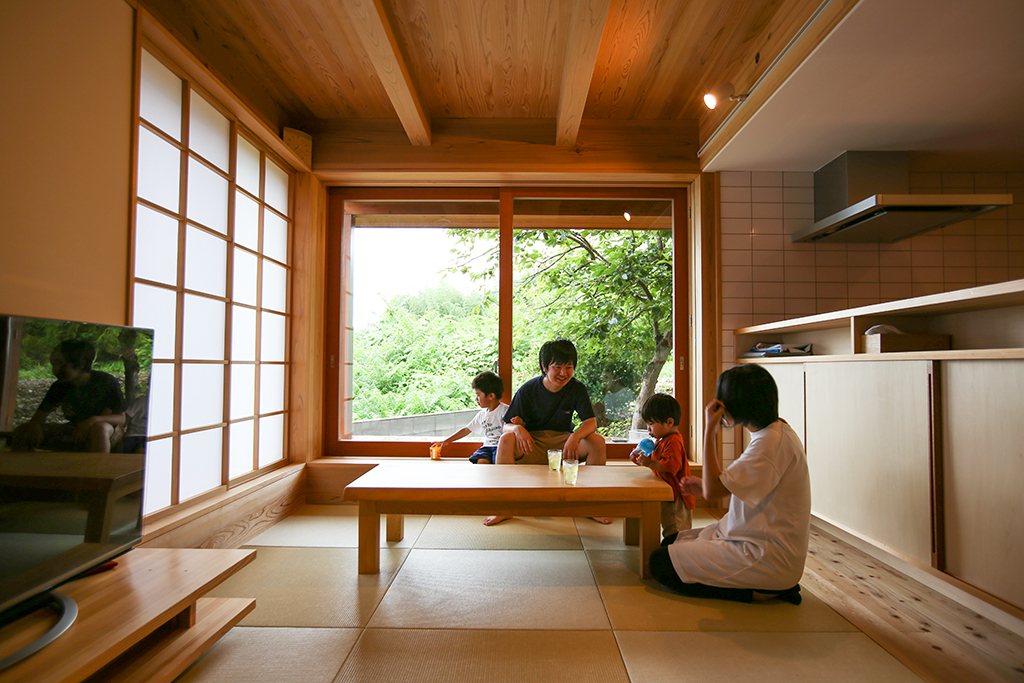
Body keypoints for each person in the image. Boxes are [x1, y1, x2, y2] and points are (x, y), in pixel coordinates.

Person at [649, 364, 810, 605]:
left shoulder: (769, 444)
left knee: (659, 564)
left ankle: (759, 591)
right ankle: (764, 585)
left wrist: (710, 429)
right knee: (670, 543)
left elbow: (715, 493)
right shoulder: (774, 432)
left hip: (766, 556)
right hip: (746, 536)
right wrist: (704, 485)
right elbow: (742, 486)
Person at [487, 338, 607, 525]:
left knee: (597, 441)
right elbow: (505, 425)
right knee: (506, 440)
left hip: (563, 445)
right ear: (544, 366)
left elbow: (591, 423)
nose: (563, 373)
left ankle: (592, 506)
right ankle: (505, 507)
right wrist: (518, 428)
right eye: (557, 367)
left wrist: (575, 436)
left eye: (568, 367)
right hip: (531, 445)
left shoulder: (576, 388)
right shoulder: (528, 389)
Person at [11, 339, 126, 453]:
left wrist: (92, 420)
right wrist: (35, 428)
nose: (55, 370)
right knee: (23, 430)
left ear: (82, 364)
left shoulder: (105, 381)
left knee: (100, 429)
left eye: (61, 364)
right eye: (54, 364)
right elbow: (39, 416)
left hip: (103, 429)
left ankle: (97, 469)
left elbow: (121, 418)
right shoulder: (60, 386)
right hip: (74, 429)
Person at [629, 393, 694, 544]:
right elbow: (655, 459)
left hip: (676, 496)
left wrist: (650, 464)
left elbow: (670, 466)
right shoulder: (662, 439)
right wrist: (641, 458)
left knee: (675, 528)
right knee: (667, 522)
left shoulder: (674, 441)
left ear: (669, 422)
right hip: (667, 491)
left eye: (651, 424)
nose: (648, 429)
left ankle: (676, 554)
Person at [431, 371, 508, 464]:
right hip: (487, 447)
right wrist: (446, 441)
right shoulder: (482, 414)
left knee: (499, 461)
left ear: (491, 396)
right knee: (482, 461)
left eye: (478, 395)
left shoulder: (504, 411)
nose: (476, 398)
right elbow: (466, 430)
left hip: (501, 447)